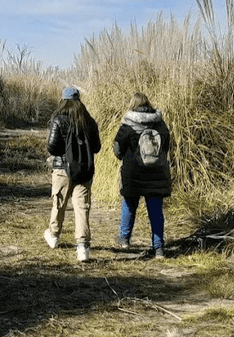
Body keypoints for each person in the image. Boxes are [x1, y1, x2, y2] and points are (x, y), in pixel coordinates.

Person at [44, 86, 101, 262]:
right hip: (84, 170)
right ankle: (83, 247)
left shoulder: (59, 120)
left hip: (63, 170)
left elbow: (52, 147)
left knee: (59, 202)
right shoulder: (89, 121)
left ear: (64, 100)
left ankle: (53, 236)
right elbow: (97, 147)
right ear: (79, 100)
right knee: (82, 207)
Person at [112, 92, 172, 259]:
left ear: (133, 104)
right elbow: (166, 146)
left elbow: (117, 148)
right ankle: (159, 248)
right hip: (157, 173)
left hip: (133, 172)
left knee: (130, 205)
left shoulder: (128, 124)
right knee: (156, 211)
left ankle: (124, 240)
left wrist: (126, 157)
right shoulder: (160, 124)